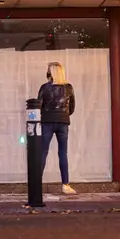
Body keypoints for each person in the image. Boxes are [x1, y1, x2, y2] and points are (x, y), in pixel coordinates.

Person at [38, 62, 76, 194]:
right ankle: (65, 185)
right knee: (62, 153)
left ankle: (37, 184)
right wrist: (63, 115)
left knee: (43, 152)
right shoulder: (69, 88)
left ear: (50, 73)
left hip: (47, 122)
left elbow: (39, 107)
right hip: (63, 122)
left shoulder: (44, 88)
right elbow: (71, 108)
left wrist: (47, 114)